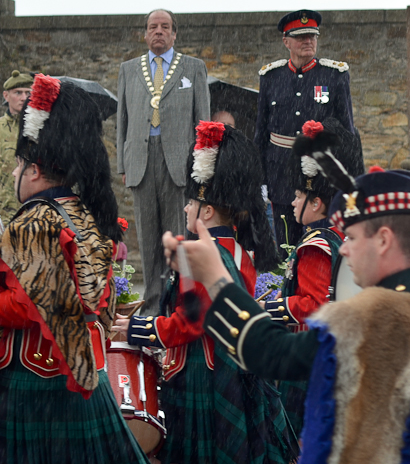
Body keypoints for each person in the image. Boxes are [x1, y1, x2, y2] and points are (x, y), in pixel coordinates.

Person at [162, 167, 410, 463]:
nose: (344, 249)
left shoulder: (378, 314)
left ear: (383, 240)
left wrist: (217, 282)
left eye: (351, 237)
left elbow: (273, 355)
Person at [112, 120, 292, 464]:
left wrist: (137, 330)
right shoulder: (241, 252)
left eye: (190, 204)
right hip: (235, 369)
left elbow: (191, 321)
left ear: (206, 211)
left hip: (203, 375)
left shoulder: (198, 255)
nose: (184, 209)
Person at [0, 75, 147, 463]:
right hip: (82, 373)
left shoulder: (36, 220)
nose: (13, 176)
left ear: (33, 171)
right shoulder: (85, 214)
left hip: (38, 379)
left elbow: (24, 305)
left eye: (18, 168)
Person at [263, 117, 361, 438]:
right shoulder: (338, 234)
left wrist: (271, 309)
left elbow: (315, 305)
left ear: (316, 202)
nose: (291, 202)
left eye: (297, 195)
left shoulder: (315, 243)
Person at [117, 8, 210, 314]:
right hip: (140, 159)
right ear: (145, 33)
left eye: (164, 27)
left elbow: (203, 120)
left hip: (179, 160)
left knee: (177, 233)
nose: (158, 31)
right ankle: (153, 303)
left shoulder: (193, 68)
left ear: (174, 34)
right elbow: (123, 120)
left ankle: (178, 301)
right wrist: (122, 164)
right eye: (152, 27)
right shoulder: (129, 69)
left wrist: (203, 164)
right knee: (147, 235)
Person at [254, 9, 360, 254]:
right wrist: (260, 179)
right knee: (285, 243)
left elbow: (347, 130)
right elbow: (261, 131)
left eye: (312, 36)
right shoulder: (271, 76)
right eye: (301, 37)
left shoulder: (334, 75)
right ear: (286, 42)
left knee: (321, 240)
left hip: (321, 173)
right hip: (280, 171)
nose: (308, 41)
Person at [0, 70, 33, 224]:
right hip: (4, 210)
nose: (23, 98)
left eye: (28, 92)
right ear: (6, 96)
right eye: (17, 92)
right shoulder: (0, 128)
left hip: (33, 209)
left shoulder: (40, 128)